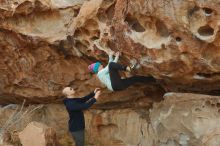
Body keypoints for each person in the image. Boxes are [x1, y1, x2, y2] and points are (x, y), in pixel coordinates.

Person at [88, 51, 157, 91]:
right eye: (100, 65)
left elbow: (110, 65)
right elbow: (110, 65)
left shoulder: (102, 73)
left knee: (135, 78)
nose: (101, 65)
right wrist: (114, 56)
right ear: (98, 68)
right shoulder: (100, 73)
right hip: (115, 85)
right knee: (112, 65)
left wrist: (112, 56)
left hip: (119, 86)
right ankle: (127, 68)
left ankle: (154, 80)